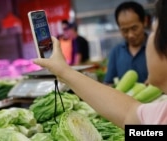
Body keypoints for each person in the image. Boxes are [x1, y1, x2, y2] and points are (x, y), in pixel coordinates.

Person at [33, 0, 167, 128]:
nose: (131, 34)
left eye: (154, 31)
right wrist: (64, 71)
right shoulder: (160, 115)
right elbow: (128, 114)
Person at [104, 1, 149, 85]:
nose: (130, 35)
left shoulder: (158, 47)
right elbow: (108, 83)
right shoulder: (116, 52)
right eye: (124, 30)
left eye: (134, 28)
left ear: (144, 21)